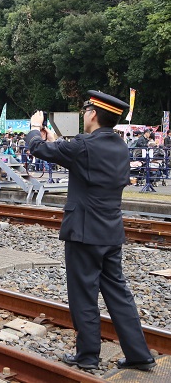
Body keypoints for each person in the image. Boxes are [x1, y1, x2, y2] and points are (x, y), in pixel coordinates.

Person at [26, 90, 156, 371]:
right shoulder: (120, 147)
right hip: (111, 232)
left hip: (84, 233)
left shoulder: (84, 145)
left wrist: (35, 129)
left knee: (84, 295)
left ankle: (87, 356)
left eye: (86, 111)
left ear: (92, 114)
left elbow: (39, 149)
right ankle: (139, 354)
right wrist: (56, 142)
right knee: (118, 294)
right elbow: (75, 155)